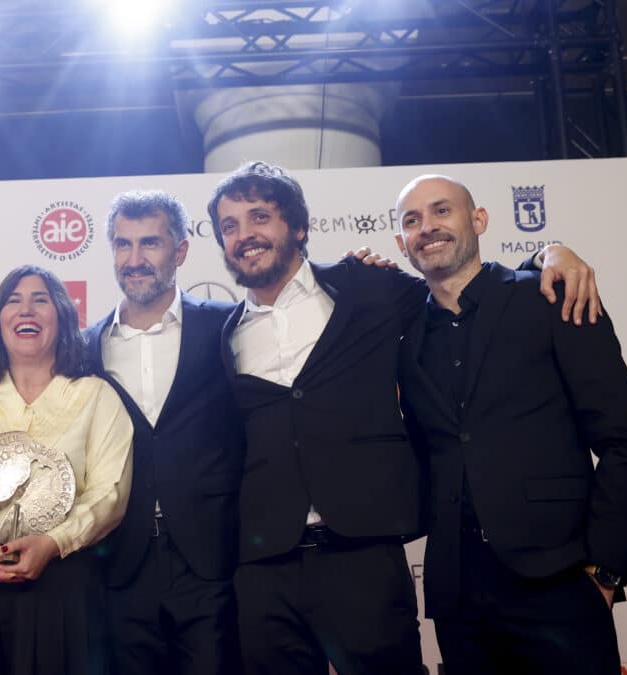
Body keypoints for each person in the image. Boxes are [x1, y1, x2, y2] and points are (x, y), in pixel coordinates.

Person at [206, 161, 601, 675]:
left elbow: (464, 285)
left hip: (363, 555)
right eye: (229, 226)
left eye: (259, 217)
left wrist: (549, 253)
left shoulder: (368, 287)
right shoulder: (223, 333)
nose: (244, 236)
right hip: (263, 568)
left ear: (298, 227)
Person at [393, 174, 627, 674]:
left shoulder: (552, 297)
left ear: (479, 219)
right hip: (458, 596)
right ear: (401, 242)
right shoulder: (404, 336)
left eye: (442, 210)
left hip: (560, 581)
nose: (427, 227)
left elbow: (624, 443)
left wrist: (605, 573)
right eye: (411, 220)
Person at [0, 265, 134, 675]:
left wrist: (53, 542)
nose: (25, 310)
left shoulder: (97, 397)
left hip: (61, 586)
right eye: (13, 301)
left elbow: (111, 493)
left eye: (40, 300)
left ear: (63, 317)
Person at [83, 190, 243, 675]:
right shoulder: (84, 347)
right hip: (120, 564)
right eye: (122, 244)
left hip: (212, 560)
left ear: (180, 251)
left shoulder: (226, 327)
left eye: (149, 244)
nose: (134, 260)